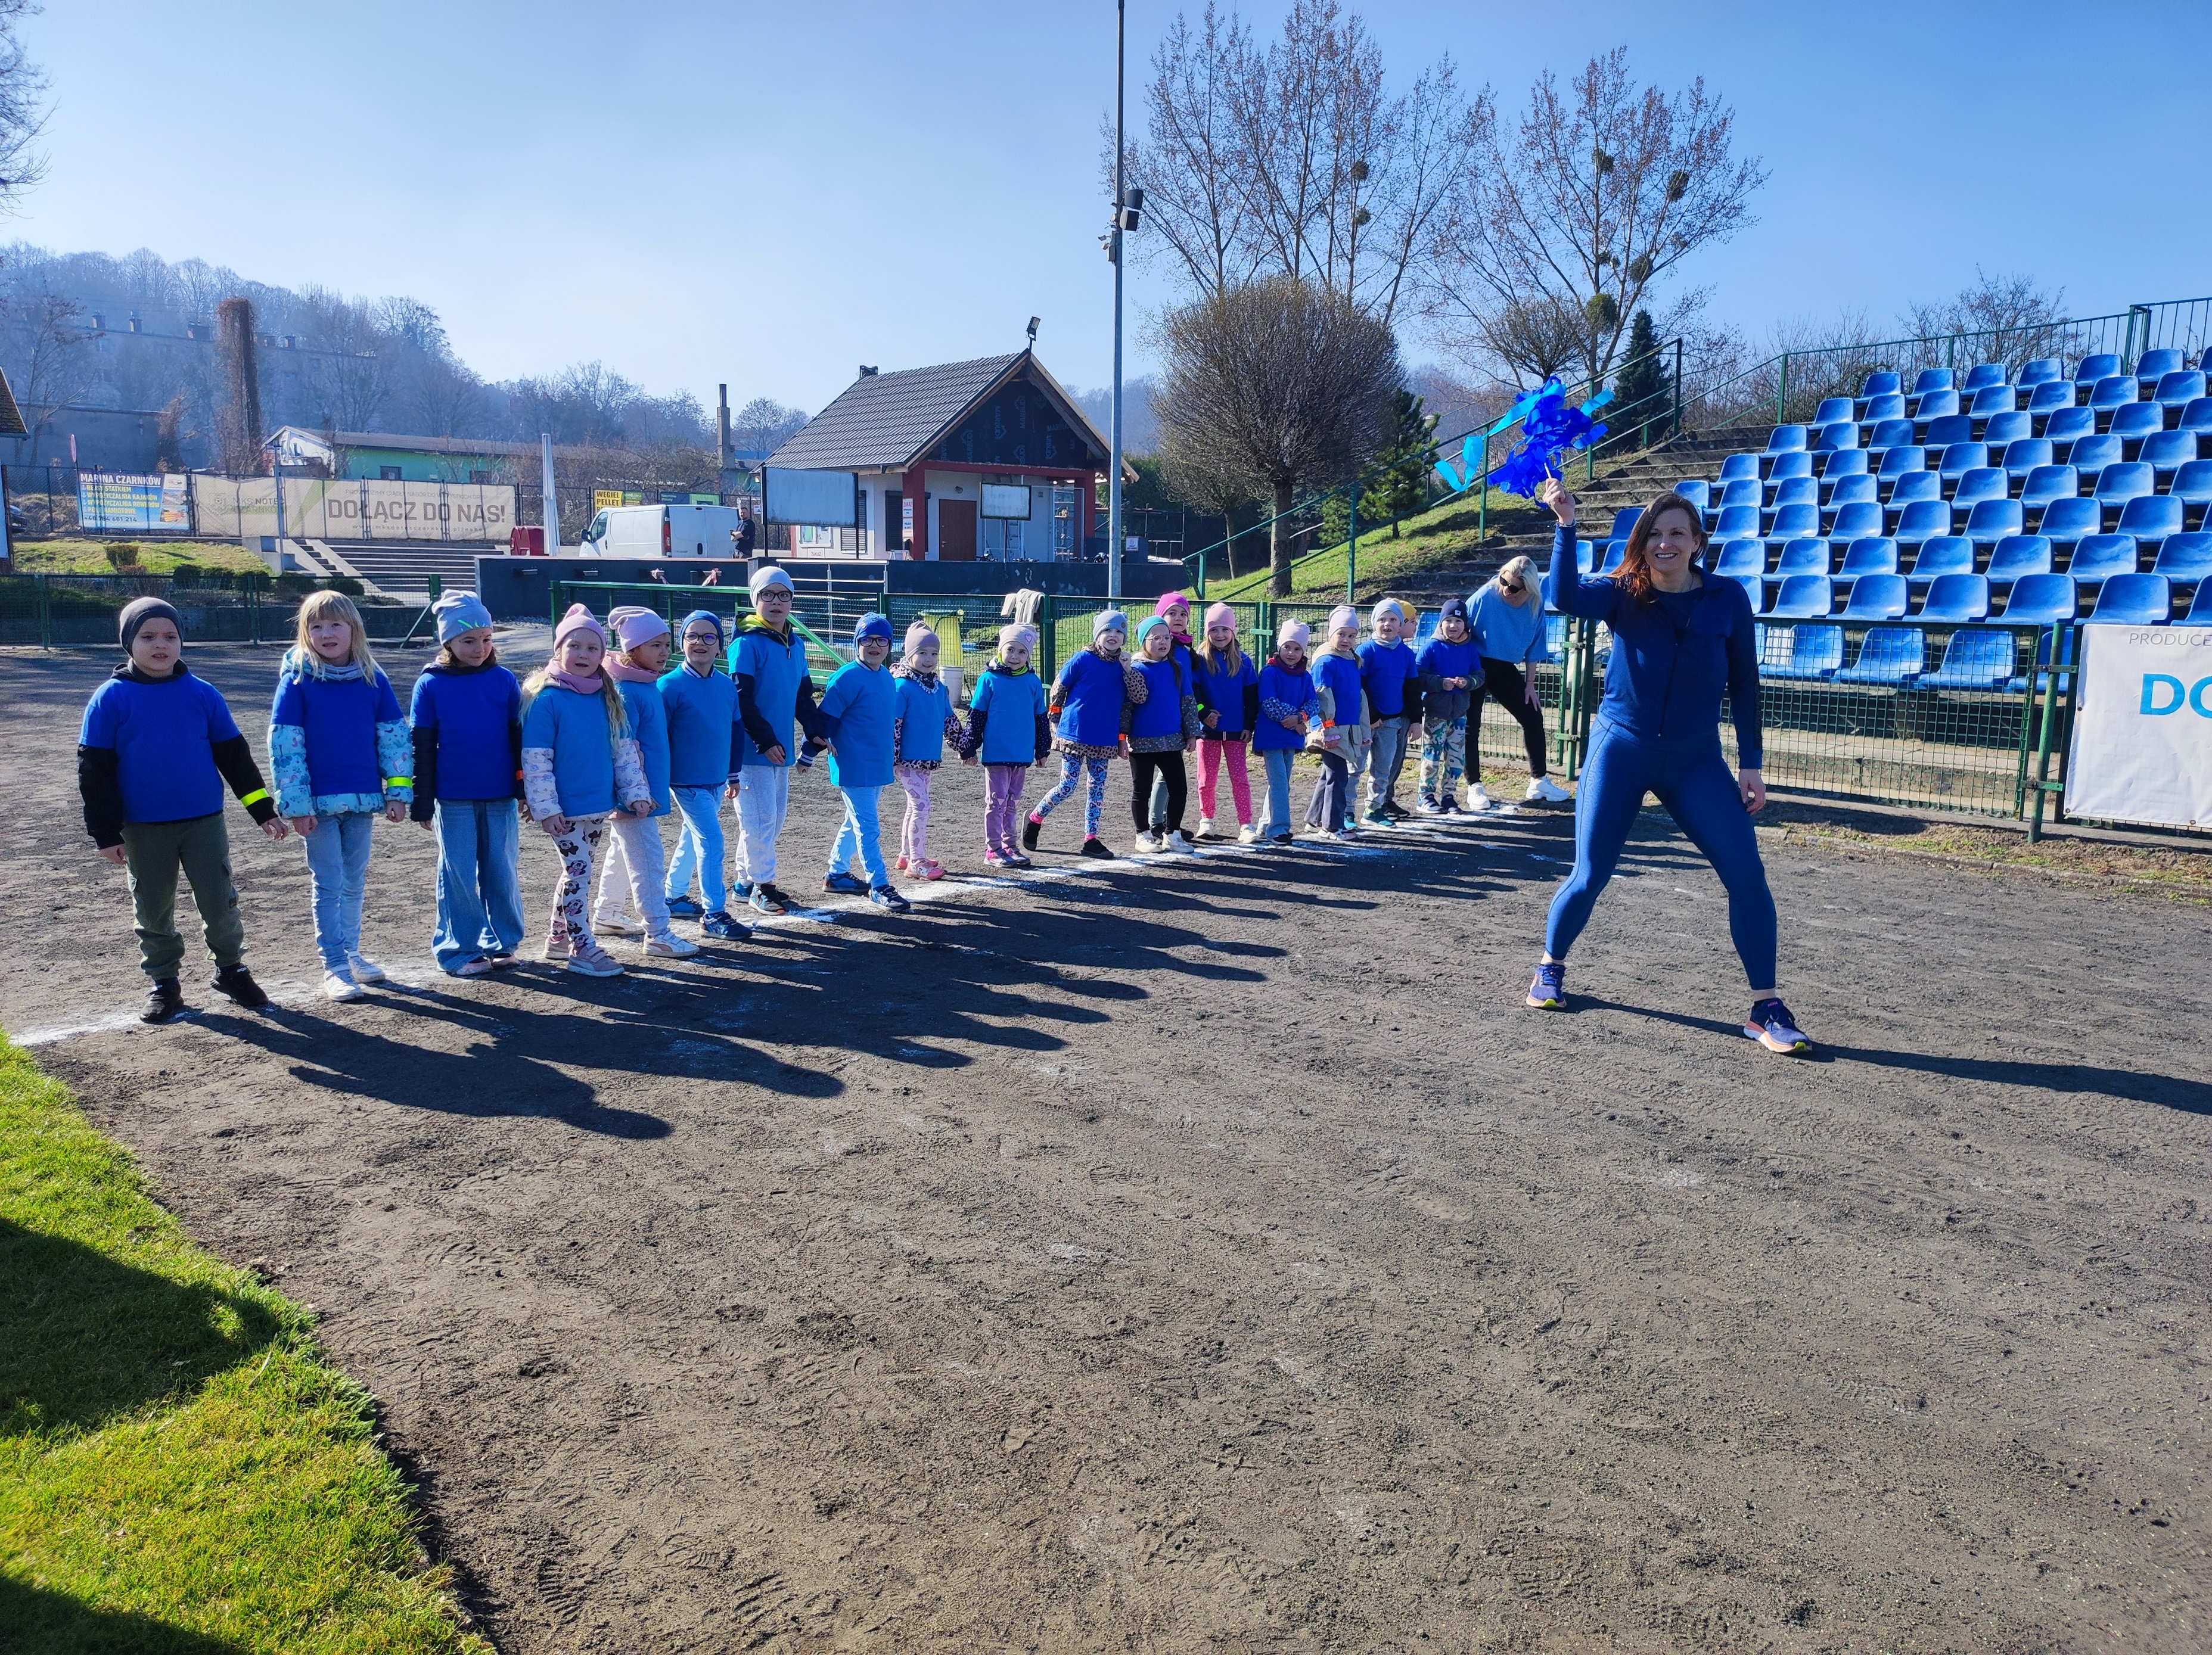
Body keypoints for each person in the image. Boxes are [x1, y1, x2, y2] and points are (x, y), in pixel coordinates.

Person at [1530, 480, 1809, 1054]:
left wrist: (1751, 764)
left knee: (1748, 876)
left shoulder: (1728, 599)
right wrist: (1565, 526)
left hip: (1696, 759)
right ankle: (1551, 967)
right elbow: (1563, 597)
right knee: (1590, 875)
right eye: (1654, 534)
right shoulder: (1621, 592)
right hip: (1621, 749)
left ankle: (1766, 1007)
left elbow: (1746, 685)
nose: (1664, 543)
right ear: (1641, 542)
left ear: (1697, 541)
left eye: (1676, 533)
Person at [79, 597, 284, 1024]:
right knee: (153, 907)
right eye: (148, 636)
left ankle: (231, 970)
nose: (161, 645)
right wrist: (105, 833)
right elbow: (94, 772)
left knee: (220, 900)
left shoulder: (202, 694)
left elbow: (235, 758)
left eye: (170, 636)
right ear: (128, 643)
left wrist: (262, 810)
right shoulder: (109, 699)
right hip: (142, 828)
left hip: (203, 823)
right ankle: (165, 984)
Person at [269, 591, 412, 1002]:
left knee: (354, 881)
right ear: (305, 633)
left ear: (354, 630)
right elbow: (286, 746)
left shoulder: (374, 679)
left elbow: (394, 739)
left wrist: (398, 792)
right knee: (328, 882)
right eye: (316, 626)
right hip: (315, 807)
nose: (326, 633)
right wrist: (297, 806)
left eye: (336, 625)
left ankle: (351, 952)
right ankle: (333, 966)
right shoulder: (295, 682)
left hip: (363, 801)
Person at [521, 605, 655, 977]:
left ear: (603, 654)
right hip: (564, 812)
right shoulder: (545, 700)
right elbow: (536, 760)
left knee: (575, 874)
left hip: (597, 807)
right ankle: (583, 948)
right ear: (558, 650)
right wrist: (546, 808)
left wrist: (635, 792)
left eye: (592, 648)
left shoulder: (607, 697)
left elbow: (624, 751)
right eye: (574, 646)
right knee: (578, 875)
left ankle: (558, 939)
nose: (583, 655)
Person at [408, 592, 527, 978]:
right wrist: (422, 800)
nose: (480, 648)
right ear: (448, 643)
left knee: (501, 869)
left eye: (487, 638)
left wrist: (524, 790)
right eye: (469, 640)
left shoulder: (505, 681)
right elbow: (421, 746)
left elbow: (519, 740)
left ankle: (502, 942)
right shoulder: (429, 685)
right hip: (453, 797)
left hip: (500, 796)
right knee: (457, 872)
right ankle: (458, 949)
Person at [594, 608, 698, 958]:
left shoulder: (644, 684)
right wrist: (636, 793)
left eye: (666, 644)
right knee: (649, 862)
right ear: (633, 648)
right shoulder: (627, 691)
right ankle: (658, 932)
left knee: (622, 854)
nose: (664, 651)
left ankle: (607, 914)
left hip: (640, 795)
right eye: (655, 644)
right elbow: (622, 747)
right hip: (634, 798)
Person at [729, 565, 825, 916]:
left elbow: (802, 696)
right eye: (767, 595)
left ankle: (744, 882)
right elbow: (743, 700)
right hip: (755, 749)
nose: (776, 602)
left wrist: (814, 730)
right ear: (755, 600)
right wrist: (764, 740)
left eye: (783, 595)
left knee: (772, 817)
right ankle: (762, 887)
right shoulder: (746, 643)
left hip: (779, 749)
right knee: (760, 819)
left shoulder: (795, 643)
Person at [1024, 609, 1142, 860]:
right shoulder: (1082, 659)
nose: (1113, 636)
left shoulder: (1126, 666)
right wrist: (1054, 720)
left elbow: (1137, 698)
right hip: (1074, 735)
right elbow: (1059, 687)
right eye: (1107, 631)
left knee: (1097, 788)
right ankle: (1035, 818)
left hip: (1104, 740)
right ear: (1097, 634)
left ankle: (1091, 839)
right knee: (1067, 785)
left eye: (1118, 632)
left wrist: (1129, 670)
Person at [659, 609, 747, 940]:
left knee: (691, 837)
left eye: (709, 637)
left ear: (720, 646)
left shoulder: (726, 686)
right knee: (711, 841)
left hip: (716, 779)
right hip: (685, 781)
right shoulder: (668, 686)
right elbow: (657, 739)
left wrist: (733, 774)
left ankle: (674, 895)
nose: (701, 643)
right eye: (692, 636)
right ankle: (715, 913)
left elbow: (735, 728)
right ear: (682, 643)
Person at [818, 612, 909, 910]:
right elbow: (826, 719)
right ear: (857, 642)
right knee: (868, 827)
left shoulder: (886, 677)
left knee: (854, 822)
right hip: (853, 764)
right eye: (867, 639)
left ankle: (837, 873)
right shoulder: (846, 676)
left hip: (877, 764)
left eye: (881, 640)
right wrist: (809, 752)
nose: (874, 645)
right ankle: (879, 884)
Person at [1470, 555, 1571, 805]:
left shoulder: (1535, 604)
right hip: (1475, 664)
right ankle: (1474, 785)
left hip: (1505, 667)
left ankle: (1539, 782)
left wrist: (1530, 685)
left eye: (1513, 586)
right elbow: (1456, 625)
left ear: (1528, 587)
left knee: (1533, 715)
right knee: (1471, 725)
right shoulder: (1485, 595)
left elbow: (1536, 647)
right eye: (1503, 580)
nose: (1505, 588)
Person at [962, 624, 1052, 867]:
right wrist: (969, 748)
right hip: (997, 753)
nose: (1015, 656)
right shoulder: (988, 680)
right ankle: (993, 849)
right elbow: (977, 716)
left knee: (1012, 802)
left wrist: (1042, 750)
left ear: (1028, 656)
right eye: (1010, 649)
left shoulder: (1033, 682)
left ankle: (1010, 845)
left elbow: (1040, 719)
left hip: (1021, 754)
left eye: (1022, 652)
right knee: (996, 801)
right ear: (1001, 650)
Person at [891, 620, 967, 879]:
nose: (929, 659)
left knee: (915, 807)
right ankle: (917, 861)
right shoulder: (901, 686)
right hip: (906, 762)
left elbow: (949, 721)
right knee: (921, 805)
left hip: (928, 760)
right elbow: (894, 726)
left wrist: (964, 748)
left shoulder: (938, 688)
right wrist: (892, 758)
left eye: (934, 654)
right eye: (922, 653)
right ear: (909, 654)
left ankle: (905, 855)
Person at [1125, 613, 1201, 855]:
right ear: (1143, 642)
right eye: (1155, 637)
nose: (1162, 642)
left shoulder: (1177, 668)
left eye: (1166, 637)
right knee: (1142, 789)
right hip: (1141, 742)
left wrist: (1192, 734)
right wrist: (1121, 737)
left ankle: (1173, 833)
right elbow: (1126, 707)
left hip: (1171, 740)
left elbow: (1188, 703)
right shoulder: (1135, 669)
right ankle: (1143, 834)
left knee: (1179, 788)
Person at [1192, 602, 1259, 842]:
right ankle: (1206, 821)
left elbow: (1252, 698)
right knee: (1206, 779)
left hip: (1236, 732)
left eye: (1224, 629)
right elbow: (1194, 694)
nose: (1219, 635)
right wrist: (1204, 713)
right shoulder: (1199, 660)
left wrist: (1248, 725)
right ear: (1207, 633)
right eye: (1214, 630)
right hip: (1207, 732)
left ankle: (1246, 824)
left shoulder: (1244, 662)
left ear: (1233, 631)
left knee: (1240, 779)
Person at [1252, 620, 1320, 846]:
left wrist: (1300, 719)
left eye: (1297, 648)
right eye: (1287, 647)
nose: (1291, 653)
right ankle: (1278, 829)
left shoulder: (1305, 677)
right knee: (1280, 782)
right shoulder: (1270, 672)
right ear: (1279, 647)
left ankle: (1265, 823)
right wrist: (1296, 719)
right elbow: (1268, 703)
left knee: (1281, 782)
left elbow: (1313, 704)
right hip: (1271, 737)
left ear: (1303, 651)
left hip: (1291, 737)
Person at [1304, 606, 1368, 839]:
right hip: (1330, 729)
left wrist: (1363, 729)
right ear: (1331, 633)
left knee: (1330, 774)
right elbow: (1322, 697)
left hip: (1347, 728)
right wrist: (1325, 728)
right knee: (1338, 776)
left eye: (1352, 635)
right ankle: (1332, 827)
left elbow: (1358, 697)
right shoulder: (1326, 662)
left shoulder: (1353, 660)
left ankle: (1314, 819)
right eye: (1342, 634)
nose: (1347, 640)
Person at [1414, 596, 1482, 813]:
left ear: (1466, 625)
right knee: (1431, 757)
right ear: (1441, 623)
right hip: (1436, 713)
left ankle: (1449, 796)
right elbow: (1418, 675)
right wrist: (1439, 684)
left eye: (1458, 622)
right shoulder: (1431, 648)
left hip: (1460, 713)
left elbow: (1479, 675)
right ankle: (1425, 796)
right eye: (1449, 621)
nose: (1453, 626)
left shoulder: (1470, 650)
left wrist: (1467, 682)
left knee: (1456, 758)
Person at [1356, 599, 1418, 825]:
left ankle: (1374, 809)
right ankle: (1344, 812)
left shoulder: (1406, 654)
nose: (1387, 624)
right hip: (1366, 722)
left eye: (1393, 620)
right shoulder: (1365, 651)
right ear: (1374, 623)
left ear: (1401, 625)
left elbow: (1412, 689)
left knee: (1383, 769)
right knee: (1356, 767)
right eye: (1382, 619)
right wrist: (1372, 716)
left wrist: (1415, 720)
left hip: (1392, 722)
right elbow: (1359, 688)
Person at [1144, 591, 1196, 832]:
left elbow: (1191, 691)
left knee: (1171, 776)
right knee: (1161, 777)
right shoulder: (1159, 649)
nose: (1178, 618)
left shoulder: (1186, 652)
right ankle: (1156, 821)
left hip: (1178, 722)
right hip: (1154, 726)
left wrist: (1199, 716)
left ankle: (1165, 821)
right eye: (1172, 613)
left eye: (1183, 614)